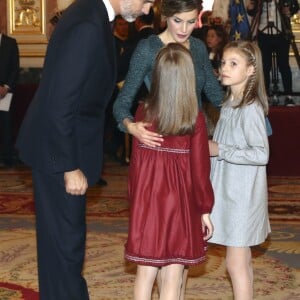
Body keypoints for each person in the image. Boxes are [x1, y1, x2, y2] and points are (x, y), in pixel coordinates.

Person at [15, 0, 153, 299]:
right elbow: (61, 100)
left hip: (60, 144)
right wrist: (68, 165)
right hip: (60, 151)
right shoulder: (89, 24)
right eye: (146, 2)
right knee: (66, 246)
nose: (146, 10)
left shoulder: (90, 13)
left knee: (60, 246)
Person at [126, 42, 214, 300]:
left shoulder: (143, 111)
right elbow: (200, 170)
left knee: (145, 271)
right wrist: (205, 208)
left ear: (157, 76)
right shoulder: (194, 118)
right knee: (173, 274)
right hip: (181, 203)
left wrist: (136, 201)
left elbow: (136, 165)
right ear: (189, 77)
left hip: (148, 201)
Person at [113, 0, 224, 149]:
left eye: (191, 22)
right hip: (160, 140)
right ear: (166, 16)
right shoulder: (148, 49)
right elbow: (122, 102)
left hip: (193, 135)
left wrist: (245, 114)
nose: (184, 29)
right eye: (177, 21)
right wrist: (131, 126)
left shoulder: (198, 47)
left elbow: (215, 94)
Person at [208, 40, 271, 299]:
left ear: (251, 70)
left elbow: (261, 154)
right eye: (223, 62)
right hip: (228, 192)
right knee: (240, 261)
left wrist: (220, 149)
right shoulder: (229, 105)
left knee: (234, 263)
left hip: (242, 198)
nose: (225, 68)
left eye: (234, 64)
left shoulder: (251, 108)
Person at [247, 0, 299, 106]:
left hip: (282, 33)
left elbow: (295, 7)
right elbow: (251, 11)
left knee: (284, 65)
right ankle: (266, 96)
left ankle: (288, 96)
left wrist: (289, 10)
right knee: (265, 66)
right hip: (263, 33)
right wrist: (251, 6)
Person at [0, 29, 20, 168]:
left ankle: (6, 157)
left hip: (4, 93)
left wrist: (6, 87)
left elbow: (15, 68)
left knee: (5, 125)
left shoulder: (10, 43)